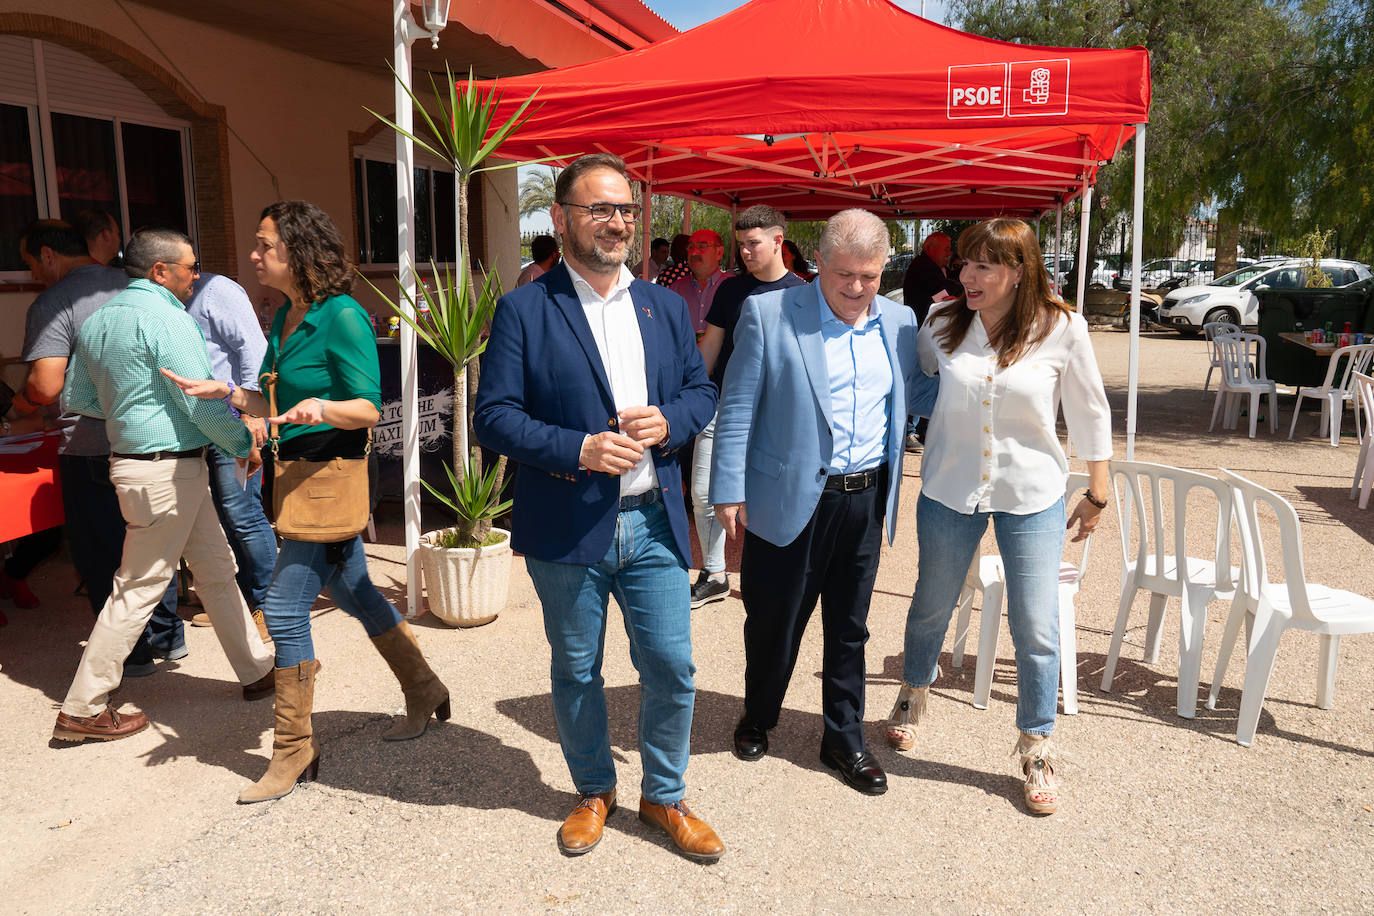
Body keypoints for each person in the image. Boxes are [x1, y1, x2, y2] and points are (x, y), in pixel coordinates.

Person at [474, 153, 723, 862]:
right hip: (567, 524)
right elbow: (493, 416)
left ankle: (664, 795)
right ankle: (593, 790)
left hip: (652, 522)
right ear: (560, 218)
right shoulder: (526, 307)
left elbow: (700, 394)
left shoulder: (664, 305)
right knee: (577, 667)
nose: (616, 223)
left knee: (671, 666)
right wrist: (577, 448)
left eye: (625, 211)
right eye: (600, 209)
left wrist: (672, 421)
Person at [165, 201, 450, 804]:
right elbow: (270, 400)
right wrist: (228, 393)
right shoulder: (287, 316)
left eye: (265, 244)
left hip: (332, 478)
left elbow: (369, 408)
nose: (254, 255)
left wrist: (321, 408)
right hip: (295, 479)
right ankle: (424, 687)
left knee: (284, 604)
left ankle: (293, 747)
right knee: (352, 590)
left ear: (298, 250)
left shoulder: (342, 316)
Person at [884, 217, 1112, 816]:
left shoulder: (1062, 328)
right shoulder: (940, 322)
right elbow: (915, 381)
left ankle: (1036, 744)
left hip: (1031, 493)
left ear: (1019, 271)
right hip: (949, 488)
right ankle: (913, 692)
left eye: (984, 265)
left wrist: (1097, 492)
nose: (968, 276)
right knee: (932, 602)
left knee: (1036, 623)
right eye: (965, 264)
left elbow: (1090, 410)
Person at [710, 208, 938, 795]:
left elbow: (923, 395)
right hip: (789, 498)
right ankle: (759, 714)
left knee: (850, 627)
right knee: (773, 623)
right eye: (845, 276)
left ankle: (843, 738)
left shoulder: (900, 321)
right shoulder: (768, 314)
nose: (859, 289)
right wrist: (727, 488)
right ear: (818, 263)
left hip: (864, 500)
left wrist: (981, 332)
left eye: (871, 276)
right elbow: (737, 407)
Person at [52, 227, 277, 743]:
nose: (195, 276)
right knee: (138, 588)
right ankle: (83, 707)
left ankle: (256, 670)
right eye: (189, 267)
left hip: (146, 464)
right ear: (159, 271)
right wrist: (244, 444)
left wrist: (135, 406)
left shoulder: (100, 318)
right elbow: (200, 403)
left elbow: (79, 396)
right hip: (168, 469)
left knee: (217, 568)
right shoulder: (170, 319)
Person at [12, 219, 180, 675]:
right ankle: (168, 636)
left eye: (30, 263)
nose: (33, 274)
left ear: (48, 255)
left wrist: (19, 403)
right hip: (157, 439)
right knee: (152, 541)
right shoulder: (140, 286)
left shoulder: (55, 301)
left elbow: (46, 385)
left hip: (91, 445)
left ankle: (133, 654)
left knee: (104, 552)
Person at [690, 205, 804, 609]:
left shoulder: (802, 294)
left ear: (778, 241)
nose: (745, 253)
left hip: (774, 415)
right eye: (740, 245)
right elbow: (712, 347)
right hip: (722, 405)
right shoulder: (731, 290)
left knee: (766, 497)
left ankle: (770, 575)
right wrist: (692, 395)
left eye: (752, 244)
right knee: (706, 494)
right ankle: (715, 573)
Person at [182, 272, 277, 640]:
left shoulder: (215, 289)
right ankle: (240, 603)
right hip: (199, 426)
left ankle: (271, 607)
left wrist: (254, 413)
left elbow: (253, 348)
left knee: (243, 514)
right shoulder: (168, 300)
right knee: (222, 516)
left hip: (233, 422)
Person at [901, 231, 955, 453]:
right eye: (946, 249)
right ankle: (910, 432)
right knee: (922, 376)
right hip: (923, 332)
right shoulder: (924, 266)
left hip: (931, 331)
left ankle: (921, 429)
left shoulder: (935, 267)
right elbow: (944, 294)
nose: (949, 254)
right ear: (929, 247)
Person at [666, 229, 730, 333]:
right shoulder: (676, 289)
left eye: (702, 246)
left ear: (719, 252)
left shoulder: (734, 287)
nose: (694, 252)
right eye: (690, 247)